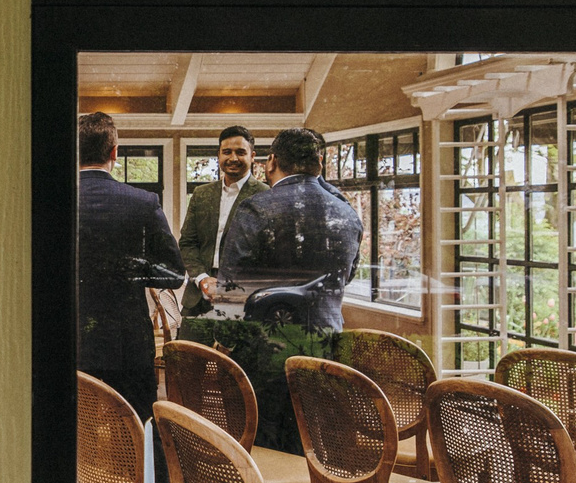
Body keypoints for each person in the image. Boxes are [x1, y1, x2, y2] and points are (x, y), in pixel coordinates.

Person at [75, 110, 182, 415]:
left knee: (76, 432)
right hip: (127, 343)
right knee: (136, 430)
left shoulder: (53, 200)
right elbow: (174, 274)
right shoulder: (142, 202)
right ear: (114, 152)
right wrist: (132, 271)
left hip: (71, 338)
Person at [218, 125, 363, 333]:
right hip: (326, 339)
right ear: (319, 164)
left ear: (272, 162)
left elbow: (231, 284)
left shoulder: (256, 208)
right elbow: (346, 276)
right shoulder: (347, 212)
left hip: (266, 340)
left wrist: (225, 338)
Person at [177, 124, 271, 317]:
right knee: (185, 348)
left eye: (240, 152)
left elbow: (268, 253)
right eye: (226, 152)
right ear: (218, 155)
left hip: (243, 302)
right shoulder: (201, 194)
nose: (233, 158)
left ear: (252, 156)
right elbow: (187, 243)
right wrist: (203, 279)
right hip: (197, 297)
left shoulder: (266, 196)